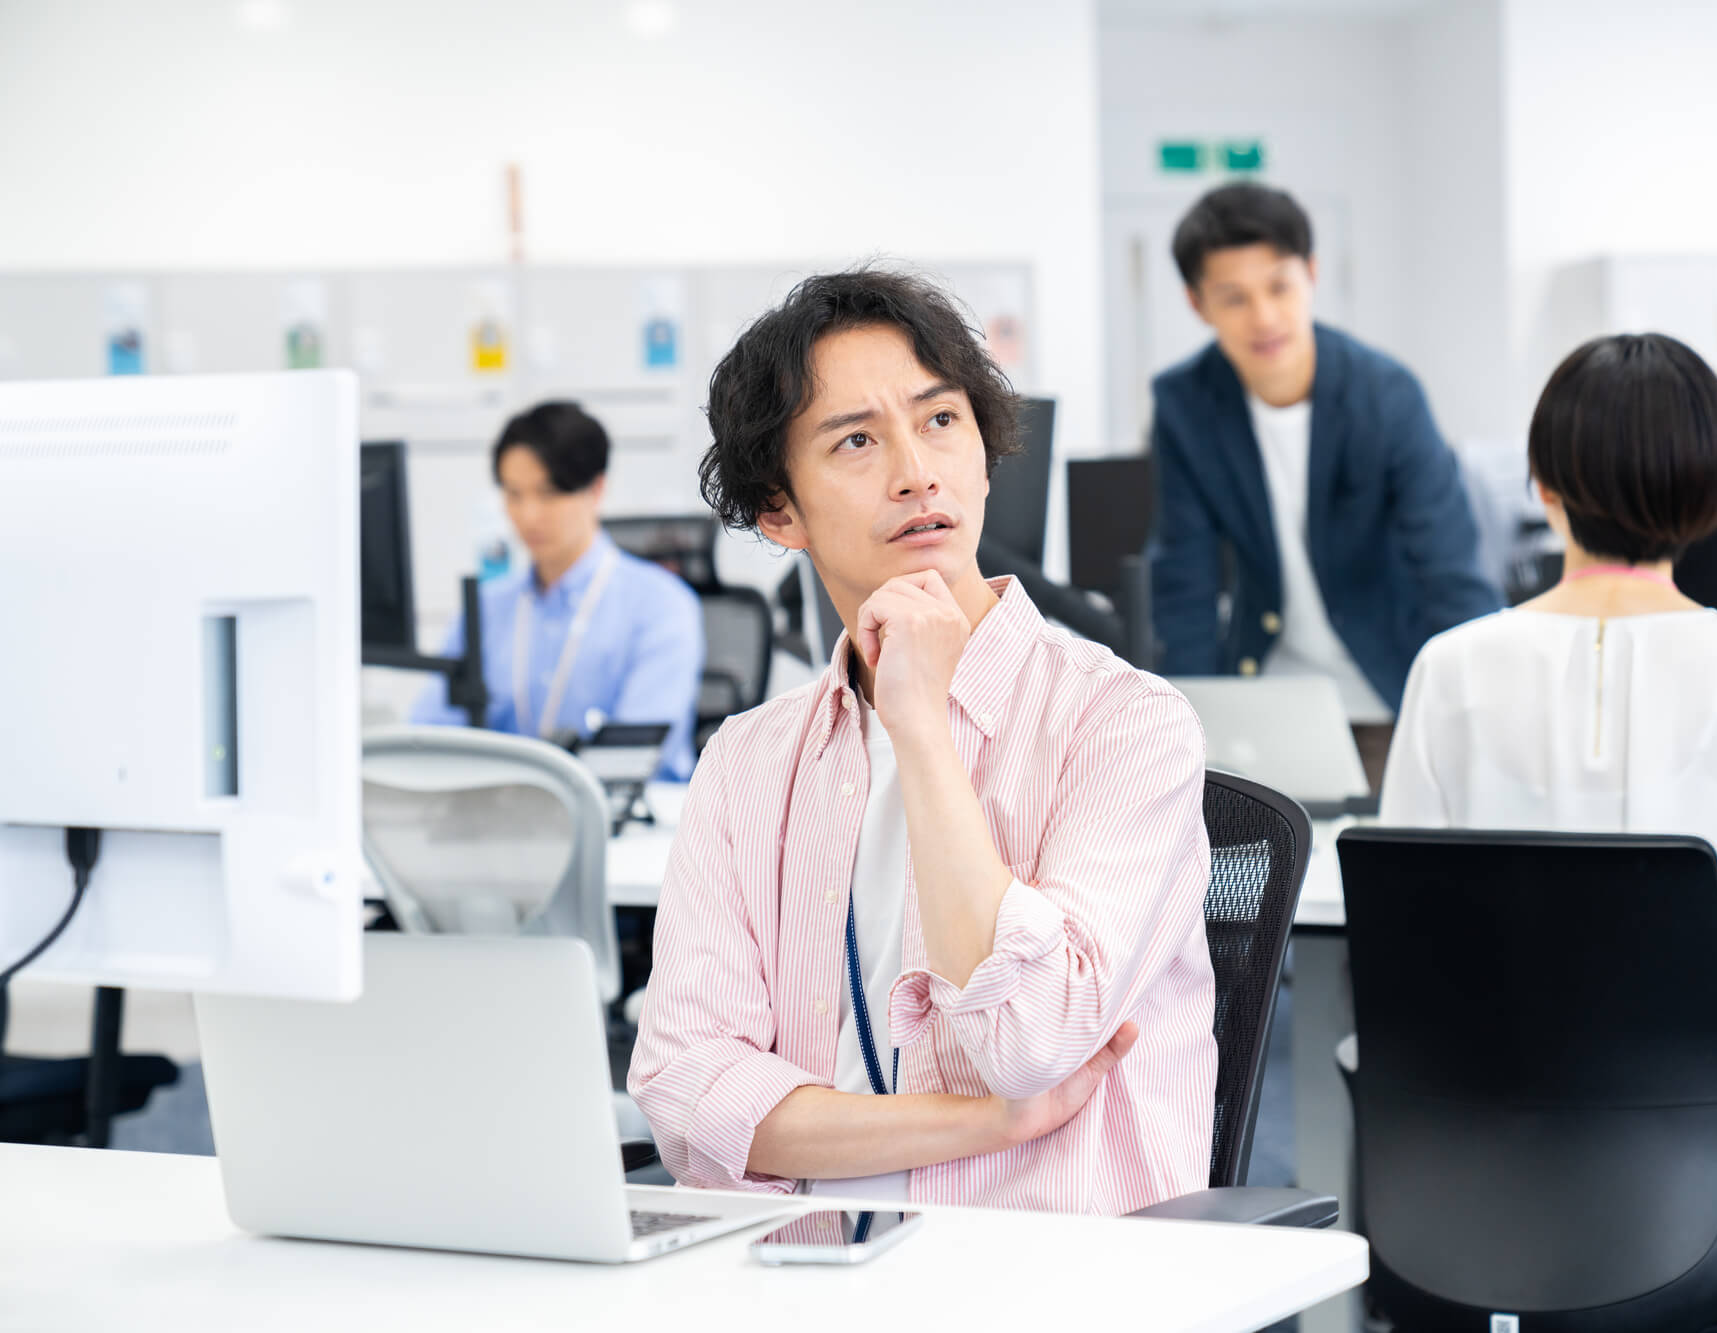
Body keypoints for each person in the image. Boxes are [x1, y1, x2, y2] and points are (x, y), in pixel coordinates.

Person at [628, 268, 1217, 1212]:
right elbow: (686, 1091)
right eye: (857, 440)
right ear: (779, 512)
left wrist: (921, 724)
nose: (916, 471)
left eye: (941, 421)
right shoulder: (747, 762)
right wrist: (983, 1122)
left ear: (985, 454)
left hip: (1052, 1287)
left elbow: (1030, 1041)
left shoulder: (1124, 721)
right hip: (810, 1284)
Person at [1380, 332, 1717, 1333]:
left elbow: (1402, 941)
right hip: (1702, 1174)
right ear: (1711, 490)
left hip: (1476, 1162)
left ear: (1540, 480)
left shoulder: (1448, 666)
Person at [1148, 182, 1500, 785]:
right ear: (1197, 304)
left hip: (1394, 699)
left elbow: (1449, 571)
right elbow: (1185, 582)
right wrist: (1186, 733)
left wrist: (1476, 724)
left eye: (1279, 287)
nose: (1263, 318)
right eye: (1233, 298)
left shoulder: (1386, 396)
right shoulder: (1186, 404)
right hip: (1266, 706)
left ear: (1311, 274)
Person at [410, 400, 703, 781]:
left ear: (595, 490)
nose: (528, 515)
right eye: (514, 494)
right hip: (501, 820)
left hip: (624, 824)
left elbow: (637, 757)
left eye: (548, 494)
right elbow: (430, 735)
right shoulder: (485, 607)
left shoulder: (662, 606)